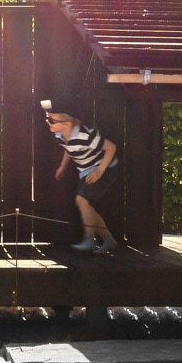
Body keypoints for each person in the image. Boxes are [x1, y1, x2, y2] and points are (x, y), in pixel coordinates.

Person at [41, 97, 120, 254]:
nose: (48, 122)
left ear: (67, 124)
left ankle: (90, 240)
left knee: (81, 200)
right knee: (85, 206)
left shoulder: (85, 136)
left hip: (105, 168)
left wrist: (99, 171)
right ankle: (108, 240)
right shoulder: (61, 135)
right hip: (87, 170)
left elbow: (111, 147)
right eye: (47, 118)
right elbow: (69, 149)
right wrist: (63, 167)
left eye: (52, 120)